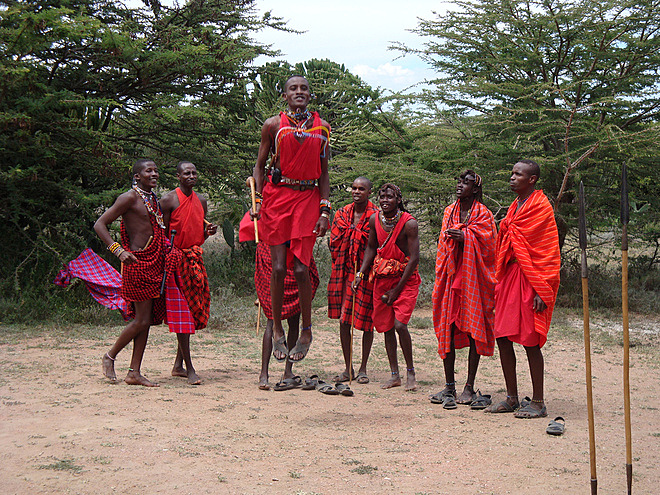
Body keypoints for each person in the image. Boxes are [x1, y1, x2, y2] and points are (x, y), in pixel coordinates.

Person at [250, 75, 331, 363]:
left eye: (304, 88)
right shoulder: (273, 125)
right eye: (293, 89)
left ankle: (307, 330)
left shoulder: (322, 128)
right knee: (279, 267)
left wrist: (325, 210)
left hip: (308, 198)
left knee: (301, 269)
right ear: (285, 95)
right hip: (278, 197)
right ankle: (277, 328)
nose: (299, 92)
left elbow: (324, 172)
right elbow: (259, 166)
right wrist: (258, 199)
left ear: (310, 94)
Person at [485, 159, 560, 418]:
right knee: (503, 335)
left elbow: (548, 251)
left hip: (532, 279)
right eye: (512, 173)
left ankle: (538, 401)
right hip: (510, 276)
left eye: (519, 174)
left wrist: (542, 289)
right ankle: (511, 397)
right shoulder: (514, 207)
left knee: (529, 340)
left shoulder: (541, 206)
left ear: (532, 179)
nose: (512, 177)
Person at [94, 159, 172, 387]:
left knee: (145, 321)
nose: (155, 174)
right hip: (137, 263)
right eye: (149, 171)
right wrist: (117, 251)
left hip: (154, 263)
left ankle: (134, 372)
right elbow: (100, 224)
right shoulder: (129, 197)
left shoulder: (152, 199)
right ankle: (110, 356)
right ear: (137, 176)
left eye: (156, 170)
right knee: (141, 320)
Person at [430, 170, 497, 408]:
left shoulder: (484, 214)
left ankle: (469, 386)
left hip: (473, 280)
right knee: (446, 327)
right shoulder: (449, 212)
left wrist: (466, 237)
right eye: (459, 181)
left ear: (476, 189)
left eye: (466, 183)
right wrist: (455, 239)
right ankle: (449, 386)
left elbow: (490, 248)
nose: (460, 186)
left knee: (472, 330)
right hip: (449, 279)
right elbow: (441, 245)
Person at [353, 183, 420, 391]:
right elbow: (371, 247)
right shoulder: (375, 219)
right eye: (382, 197)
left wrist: (396, 290)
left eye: (390, 197)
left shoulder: (409, 224)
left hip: (405, 280)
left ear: (398, 200)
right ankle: (394, 375)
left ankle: (411, 373)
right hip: (382, 279)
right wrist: (361, 273)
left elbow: (414, 259)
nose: (385, 201)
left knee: (400, 325)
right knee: (387, 327)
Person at [160, 161, 218, 385]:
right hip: (176, 260)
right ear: (178, 176)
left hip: (195, 258)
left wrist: (208, 231)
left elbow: (201, 231)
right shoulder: (168, 200)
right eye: (187, 173)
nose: (191, 176)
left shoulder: (201, 200)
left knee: (191, 312)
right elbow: (163, 234)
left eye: (194, 173)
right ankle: (189, 368)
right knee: (183, 313)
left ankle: (178, 365)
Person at [328, 177, 378, 384]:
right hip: (343, 271)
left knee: (367, 321)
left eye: (361, 189)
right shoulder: (341, 214)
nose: (357, 192)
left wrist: (362, 271)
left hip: (366, 273)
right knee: (343, 320)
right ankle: (348, 367)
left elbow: (375, 245)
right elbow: (333, 241)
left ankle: (363, 368)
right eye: (354, 188)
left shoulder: (376, 216)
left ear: (369, 192)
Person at [253, 243, 320, 390]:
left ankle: (288, 371)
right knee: (272, 320)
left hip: (296, 253)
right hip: (275, 258)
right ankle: (264, 373)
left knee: (294, 320)